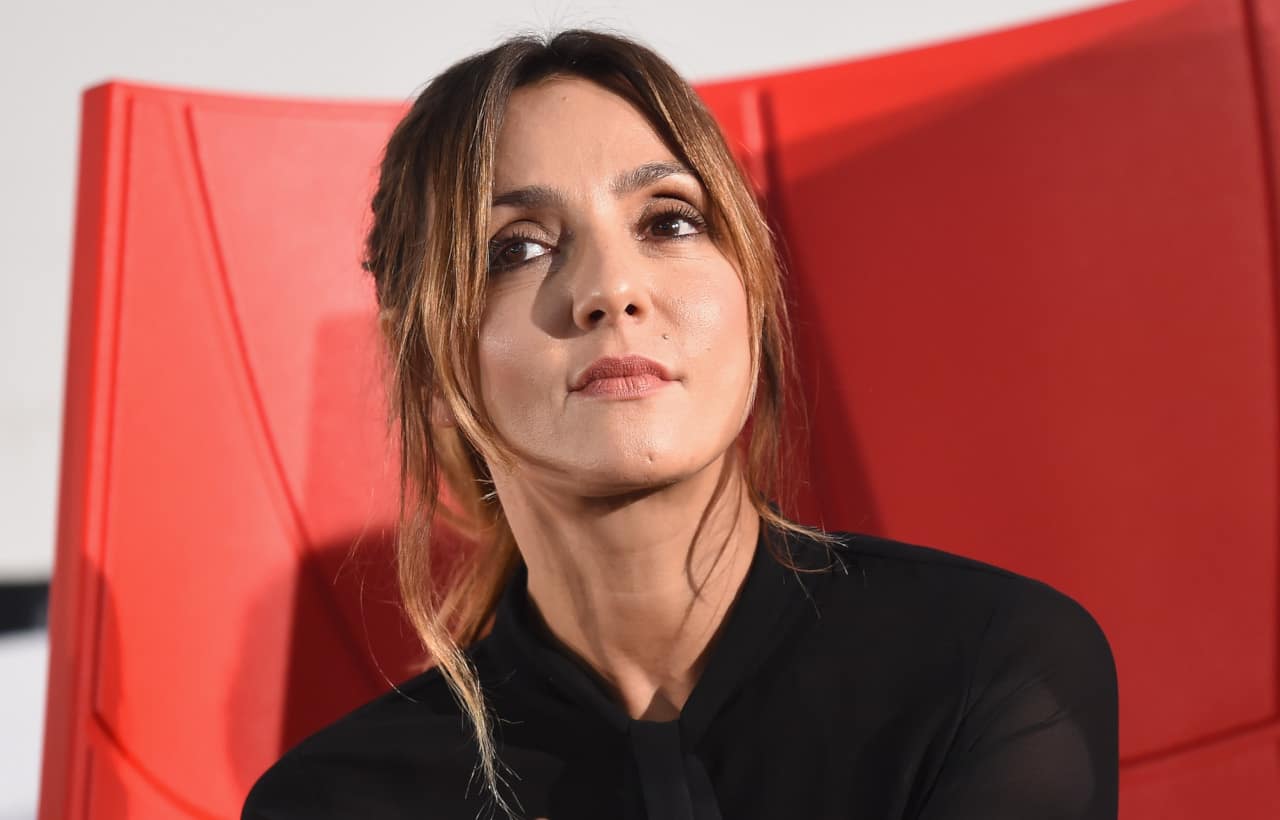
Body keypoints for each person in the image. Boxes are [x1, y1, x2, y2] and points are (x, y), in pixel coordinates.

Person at [242, 28, 1118, 820]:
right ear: (427, 363)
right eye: (517, 248)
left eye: (669, 222)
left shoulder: (990, 665)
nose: (612, 290)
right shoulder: (331, 802)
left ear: (753, 295)